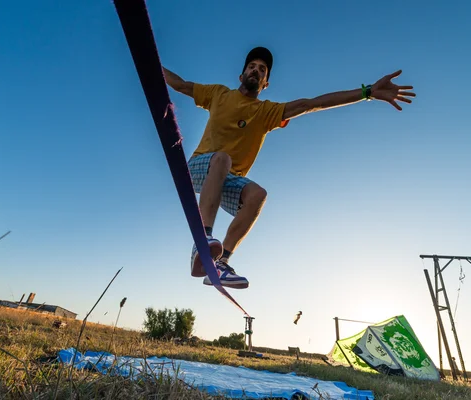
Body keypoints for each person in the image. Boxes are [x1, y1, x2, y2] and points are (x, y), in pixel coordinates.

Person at [163, 47, 415, 288]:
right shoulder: (219, 94)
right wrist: (154, 64)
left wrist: (368, 92)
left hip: (226, 180)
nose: (256, 70)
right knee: (222, 159)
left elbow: (312, 103)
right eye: (251, 67)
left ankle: (222, 263)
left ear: (266, 83)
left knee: (258, 195)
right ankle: (202, 241)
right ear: (241, 75)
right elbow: (181, 85)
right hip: (200, 167)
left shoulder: (267, 112)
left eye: (262, 70)